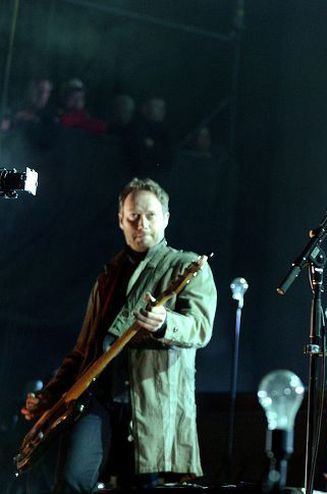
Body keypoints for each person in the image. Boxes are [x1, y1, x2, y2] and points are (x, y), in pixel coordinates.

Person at [21, 177, 217, 492]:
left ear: (166, 218)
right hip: (96, 400)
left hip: (150, 402)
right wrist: (51, 397)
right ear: (121, 221)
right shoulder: (107, 277)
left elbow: (200, 328)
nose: (142, 224)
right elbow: (83, 351)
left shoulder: (186, 266)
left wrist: (165, 321)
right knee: (71, 481)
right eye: (133, 216)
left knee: (139, 485)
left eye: (151, 215)